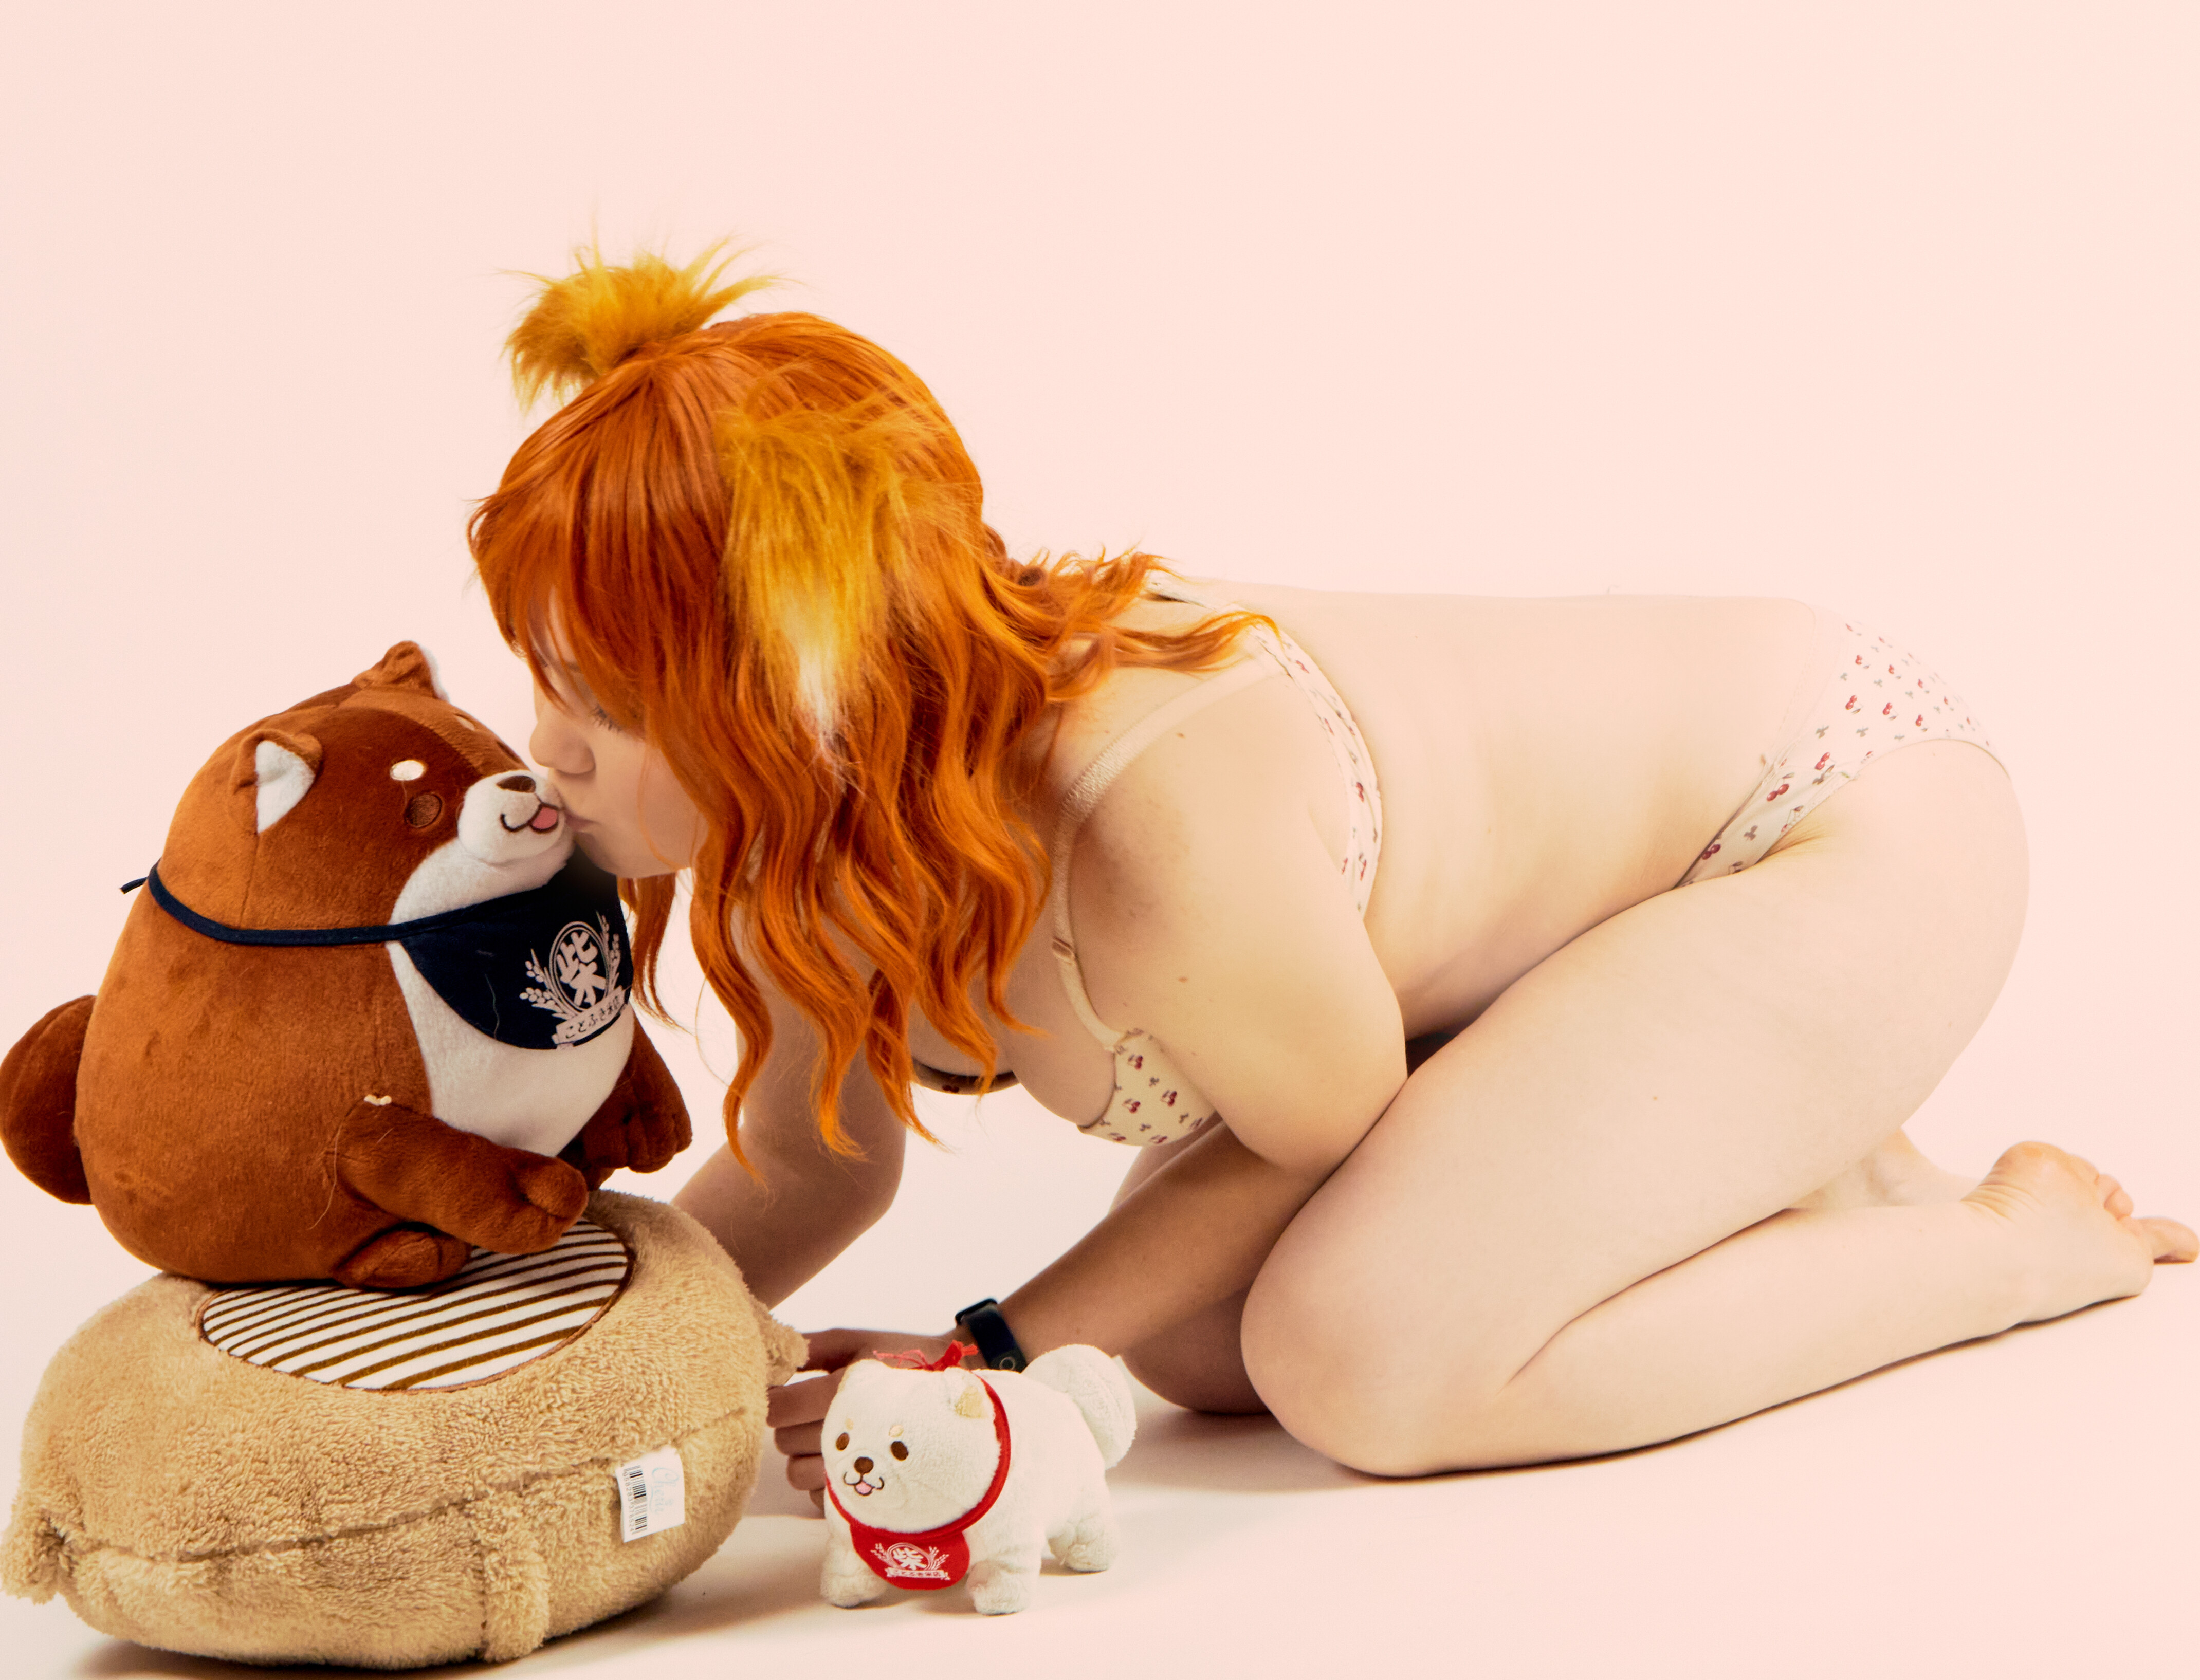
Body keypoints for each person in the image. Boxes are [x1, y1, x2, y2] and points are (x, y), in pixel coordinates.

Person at [471, 245, 2193, 1502]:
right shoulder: (810, 821)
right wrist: (537, 1375)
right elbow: (809, 1169)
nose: (550, 749)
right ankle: (1775, 1163)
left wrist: (988, 1352)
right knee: (1187, 1349)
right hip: (1588, 933)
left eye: (607, 703)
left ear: (794, 692)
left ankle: (2014, 1244)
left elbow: (1325, 1125)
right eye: (546, 677)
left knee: (1359, 1360)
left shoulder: (1146, 823)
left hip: (1832, 824)